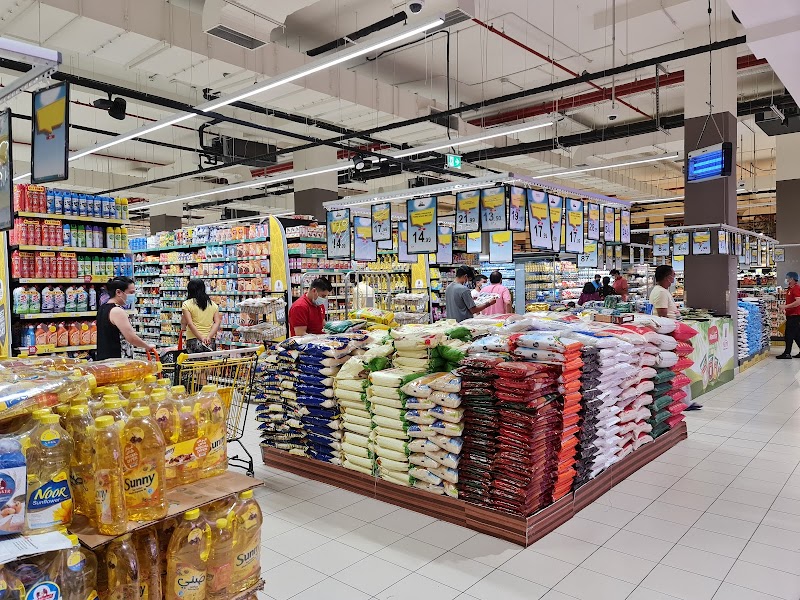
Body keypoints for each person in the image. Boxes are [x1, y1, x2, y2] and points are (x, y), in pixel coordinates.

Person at [96, 277, 155, 360]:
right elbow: (131, 338)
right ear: (119, 292)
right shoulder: (117, 311)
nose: (133, 296)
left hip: (105, 359)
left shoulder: (103, 308)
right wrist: (147, 346)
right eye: (131, 292)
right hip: (117, 361)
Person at [181, 279, 222, 353]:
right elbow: (217, 322)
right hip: (210, 341)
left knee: (194, 364)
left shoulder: (186, 304)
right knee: (207, 364)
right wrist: (209, 336)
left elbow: (189, 323)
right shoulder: (213, 304)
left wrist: (201, 338)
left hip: (193, 339)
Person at [777, 271, 800, 359]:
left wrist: (785, 306)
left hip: (795, 315)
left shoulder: (796, 288)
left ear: (792, 279)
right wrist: (786, 309)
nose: (786, 280)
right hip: (791, 314)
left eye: (788, 278)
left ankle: (787, 353)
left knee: (789, 335)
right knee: (797, 335)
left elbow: (798, 301)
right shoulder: (790, 289)